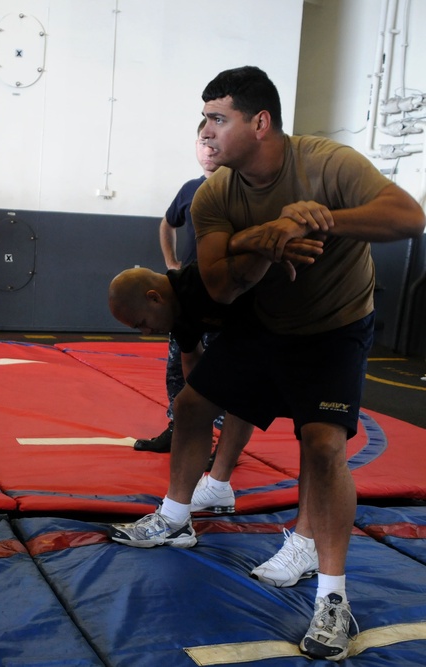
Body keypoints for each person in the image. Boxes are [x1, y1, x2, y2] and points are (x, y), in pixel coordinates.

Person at [108, 66, 425, 661]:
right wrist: (268, 237)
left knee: (325, 446)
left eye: (217, 118)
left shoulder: (328, 163)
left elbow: (409, 218)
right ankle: (178, 515)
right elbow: (223, 289)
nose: (206, 130)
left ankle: (332, 596)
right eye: (204, 118)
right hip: (263, 321)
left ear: (260, 122)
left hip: (334, 326)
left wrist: (320, 218)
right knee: (193, 402)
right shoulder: (215, 193)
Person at [108, 264, 258, 514]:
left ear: (154, 298)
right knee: (190, 404)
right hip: (249, 330)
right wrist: (197, 412)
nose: (146, 332)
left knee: (242, 395)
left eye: (142, 323)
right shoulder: (176, 312)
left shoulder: (209, 281)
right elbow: (191, 361)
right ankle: (215, 488)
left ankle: (209, 489)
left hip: (283, 322)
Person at [135, 120, 218, 452]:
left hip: (228, 297)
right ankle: (179, 427)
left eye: (215, 140)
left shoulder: (241, 188)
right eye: (203, 140)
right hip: (189, 295)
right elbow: (167, 223)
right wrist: (171, 263)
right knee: (178, 366)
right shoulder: (190, 189)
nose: (209, 147)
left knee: (219, 369)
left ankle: (216, 442)